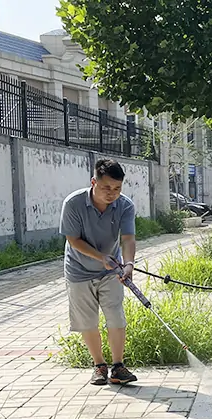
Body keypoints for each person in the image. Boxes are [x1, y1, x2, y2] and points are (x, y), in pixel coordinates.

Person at [60, 159, 138, 386]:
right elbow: (73, 240)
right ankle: (99, 365)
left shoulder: (125, 206)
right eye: (106, 188)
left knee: (116, 315)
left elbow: (128, 238)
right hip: (78, 269)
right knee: (88, 321)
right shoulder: (73, 203)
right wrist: (100, 257)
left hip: (111, 269)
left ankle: (118, 367)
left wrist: (129, 264)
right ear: (94, 182)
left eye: (117, 188)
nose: (112, 193)